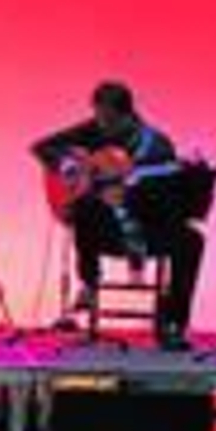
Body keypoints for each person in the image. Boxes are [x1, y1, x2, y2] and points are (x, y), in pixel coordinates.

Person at [32, 81, 205, 351]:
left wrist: (135, 188)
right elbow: (42, 147)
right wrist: (69, 166)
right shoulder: (93, 129)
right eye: (98, 116)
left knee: (192, 241)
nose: (101, 125)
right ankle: (89, 282)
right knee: (84, 209)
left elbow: (166, 197)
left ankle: (174, 323)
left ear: (127, 116)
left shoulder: (155, 144)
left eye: (107, 119)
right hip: (106, 229)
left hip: (147, 226)